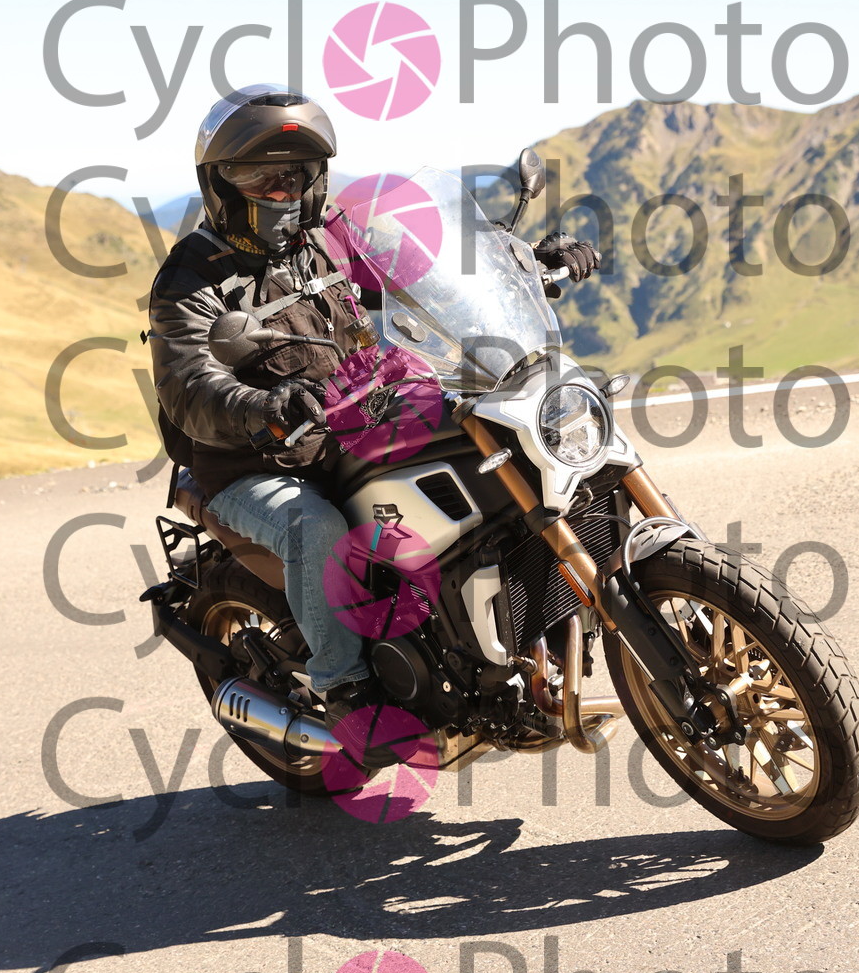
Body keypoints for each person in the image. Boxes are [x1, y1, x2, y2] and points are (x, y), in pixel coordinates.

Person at [147, 83, 601, 762]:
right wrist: (264, 406)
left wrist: (527, 262)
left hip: (356, 419)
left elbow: (418, 275)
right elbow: (189, 384)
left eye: (296, 174)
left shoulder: (327, 235)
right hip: (254, 457)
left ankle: (510, 628)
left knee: (498, 456)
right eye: (260, 178)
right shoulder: (190, 276)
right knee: (317, 530)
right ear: (220, 183)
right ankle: (347, 690)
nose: (282, 191)